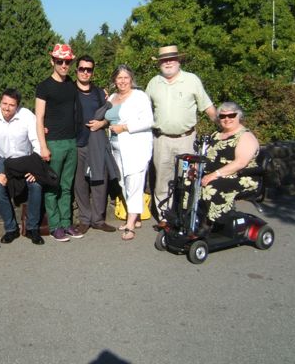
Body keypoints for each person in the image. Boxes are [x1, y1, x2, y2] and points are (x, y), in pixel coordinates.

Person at [145, 45, 217, 221]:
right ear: (160, 63)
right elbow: (143, 110)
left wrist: (224, 126)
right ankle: (165, 218)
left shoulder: (192, 80)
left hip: (186, 140)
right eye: (164, 60)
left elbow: (207, 106)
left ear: (178, 61)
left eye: (171, 59)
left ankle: (185, 215)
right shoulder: (154, 83)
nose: (168, 62)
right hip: (161, 140)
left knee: (186, 180)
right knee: (162, 181)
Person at [0, 88, 45, 245]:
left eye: (11, 105)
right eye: (4, 103)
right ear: (0, 102)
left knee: (36, 185)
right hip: (4, 161)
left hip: (26, 159)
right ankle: (11, 229)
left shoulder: (27, 116)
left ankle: (32, 228)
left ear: (18, 105)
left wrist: (35, 168)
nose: (7, 108)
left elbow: (36, 141)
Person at [35, 43, 84, 242]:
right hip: (53, 143)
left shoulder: (71, 84)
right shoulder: (44, 86)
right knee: (52, 186)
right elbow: (38, 118)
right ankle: (55, 226)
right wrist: (43, 146)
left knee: (66, 186)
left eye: (67, 61)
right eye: (60, 61)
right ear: (52, 62)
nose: (64, 65)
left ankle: (66, 223)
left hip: (71, 141)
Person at [106, 65, 154, 241]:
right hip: (116, 147)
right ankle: (137, 215)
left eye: (126, 77)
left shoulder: (139, 96)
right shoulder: (112, 97)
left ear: (131, 79)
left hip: (136, 146)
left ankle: (131, 223)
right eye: (119, 78)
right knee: (123, 182)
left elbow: (149, 121)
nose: (123, 81)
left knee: (134, 181)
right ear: (114, 80)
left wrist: (125, 127)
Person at [74, 55, 117, 234]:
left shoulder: (99, 93)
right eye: (82, 68)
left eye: (89, 69)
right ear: (76, 70)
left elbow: (109, 117)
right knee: (80, 183)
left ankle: (98, 219)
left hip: (96, 142)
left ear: (92, 72)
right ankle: (84, 219)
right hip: (76, 143)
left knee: (99, 181)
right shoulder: (69, 90)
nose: (85, 72)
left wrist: (102, 124)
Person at [199, 102, 260, 224]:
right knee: (187, 182)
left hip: (240, 176)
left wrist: (213, 175)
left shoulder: (245, 136)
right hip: (214, 174)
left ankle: (215, 222)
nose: (227, 119)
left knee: (211, 187)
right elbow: (205, 155)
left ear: (239, 116)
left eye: (231, 115)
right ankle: (191, 218)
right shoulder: (216, 135)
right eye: (222, 116)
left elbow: (240, 163)